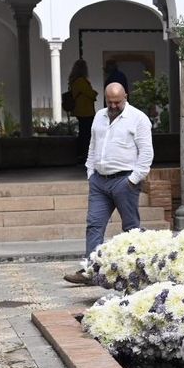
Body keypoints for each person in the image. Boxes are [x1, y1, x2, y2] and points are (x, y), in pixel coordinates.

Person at [65, 82, 153, 285]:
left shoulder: (138, 118)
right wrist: (90, 171)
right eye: (109, 102)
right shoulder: (99, 116)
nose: (113, 106)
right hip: (99, 181)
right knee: (94, 225)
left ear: (126, 97)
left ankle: (135, 271)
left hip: (124, 180)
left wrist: (133, 180)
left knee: (131, 228)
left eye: (117, 102)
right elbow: (93, 145)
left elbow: (146, 153)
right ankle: (90, 270)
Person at [69, 59, 98, 159]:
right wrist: (94, 93)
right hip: (85, 111)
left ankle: (82, 154)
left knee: (83, 132)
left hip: (80, 110)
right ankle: (84, 154)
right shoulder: (81, 81)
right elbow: (91, 94)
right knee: (86, 134)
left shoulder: (74, 81)